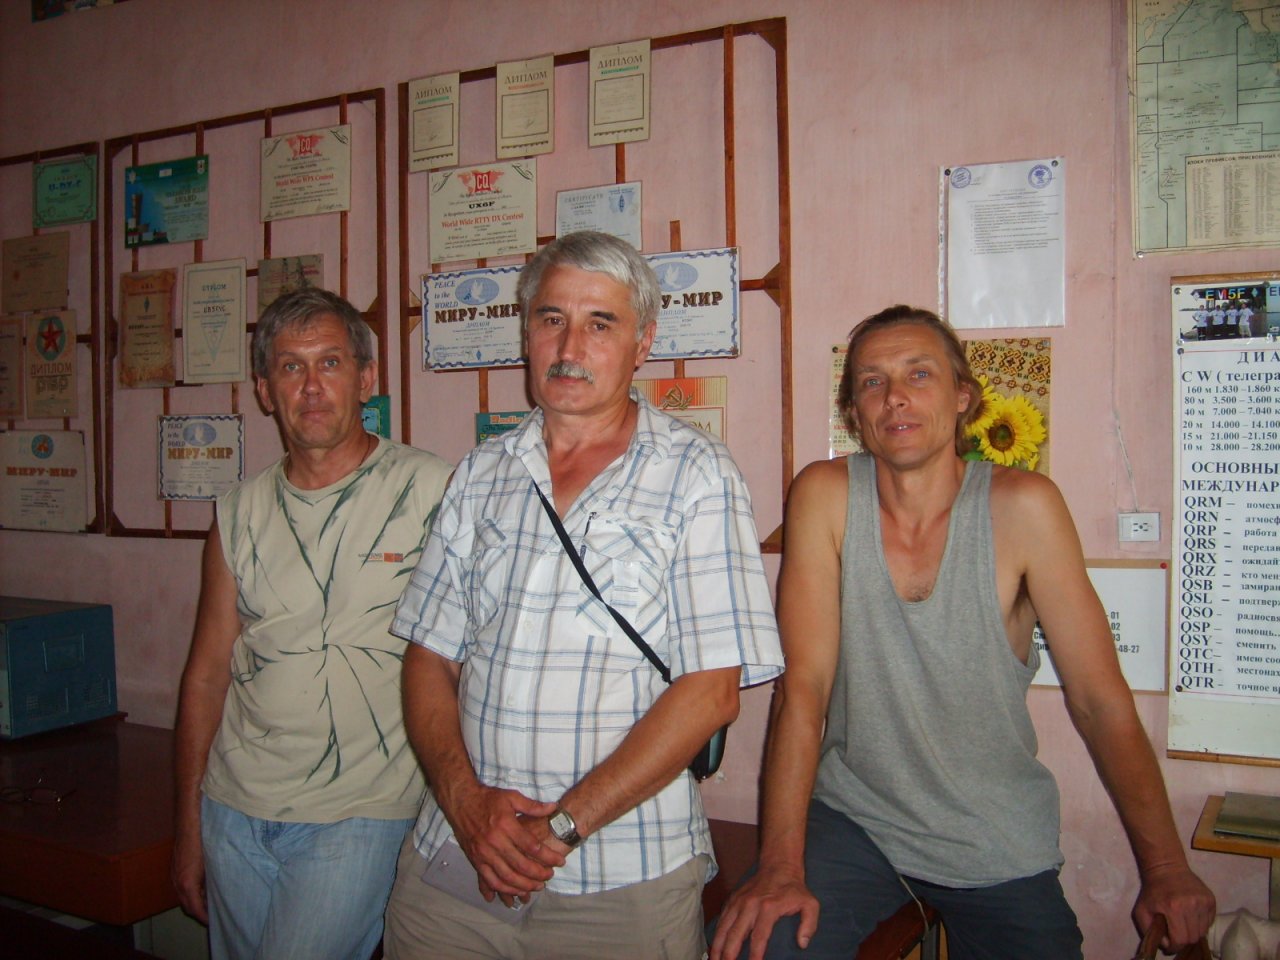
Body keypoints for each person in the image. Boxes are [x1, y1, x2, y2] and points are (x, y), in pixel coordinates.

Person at [710, 305, 1215, 960]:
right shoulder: (824, 495)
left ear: (962, 398)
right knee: (757, 945)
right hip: (856, 822)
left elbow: (1098, 699)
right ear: (855, 414)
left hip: (993, 838)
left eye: (919, 374)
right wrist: (781, 865)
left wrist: (1167, 868)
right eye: (872, 381)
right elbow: (803, 688)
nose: (895, 396)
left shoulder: (1024, 506)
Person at [384, 231, 784, 960]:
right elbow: (428, 657)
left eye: (601, 323)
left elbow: (711, 693)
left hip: (621, 874)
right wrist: (466, 805)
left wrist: (563, 826)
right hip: (460, 857)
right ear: (526, 334)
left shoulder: (697, 475)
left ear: (642, 343)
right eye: (551, 319)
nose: (571, 345)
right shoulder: (479, 475)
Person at [172, 289, 452, 960]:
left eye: (330, 362)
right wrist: (187, 824)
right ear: (265, 390)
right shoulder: (237, 512)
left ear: (366, 377)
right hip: (234, 808)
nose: (312, 386)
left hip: (361, 813)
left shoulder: (433, 492)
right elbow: (206, 676)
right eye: (290, 367)